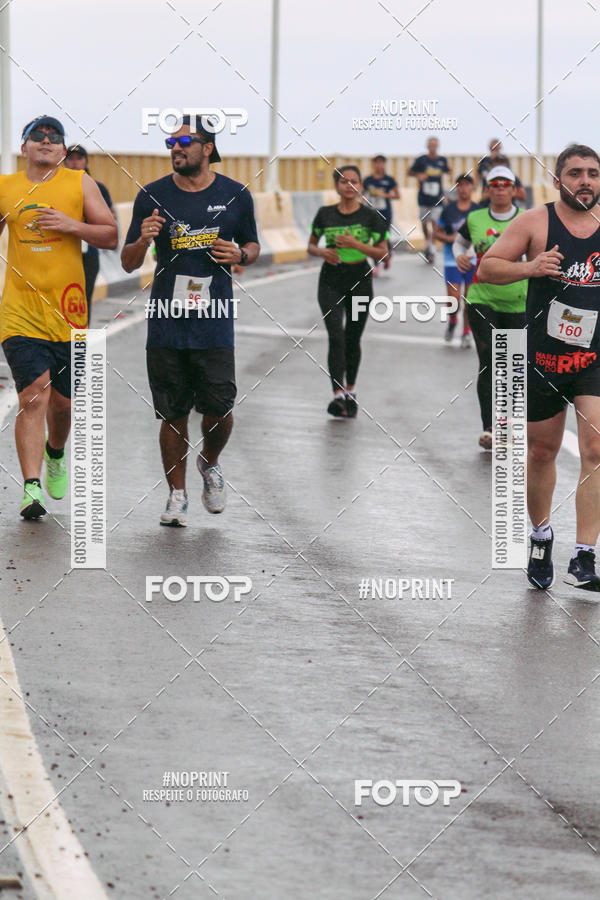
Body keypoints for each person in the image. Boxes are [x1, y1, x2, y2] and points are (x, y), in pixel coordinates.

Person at [121, 115, 259, 527]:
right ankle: (176, 495)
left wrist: (242, 256)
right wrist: (143, 240)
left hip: (214, 319)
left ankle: (209, 462)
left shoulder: (236, 195)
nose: (176, 148)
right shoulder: (152, 195)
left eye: (186, 141)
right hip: (166, 320)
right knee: (173, 411)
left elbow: (252, 244)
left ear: (208, 149)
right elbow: (128, 263)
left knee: (219, 407)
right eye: (171, 141)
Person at [478, 144, 600, 592]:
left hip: (594, 356)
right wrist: (531, 267)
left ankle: (584, 554)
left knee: (596, 449)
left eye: (593, 173)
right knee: (543, 452)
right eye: (576, 173)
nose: (585, 180)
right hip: (545, 357)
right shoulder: (534, 221)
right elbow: (487, 269)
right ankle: (541, 537)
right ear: (558, 179)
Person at [0, 115, 117, 519]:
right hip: (20, 311)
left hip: (69, 312)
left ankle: (55, 452)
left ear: (64, 150)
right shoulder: (6, 187)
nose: (46, 141)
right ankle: (31, 487)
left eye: (54, 138)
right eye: (38, 136)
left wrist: (71, 225)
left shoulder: (80, 183)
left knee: (63, 405)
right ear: (24, 147)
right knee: (33, 395)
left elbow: (111, 235)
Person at [453, 166, 527, 448]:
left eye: (505, 184)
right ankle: (490, 428)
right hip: (481, 298)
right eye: (494, 184)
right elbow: (460, 245)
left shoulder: (527, 219)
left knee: (512, 365)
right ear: (487, 189)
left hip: (518, 301)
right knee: (489, 360)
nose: (499, 188)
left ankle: (508, 423)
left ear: (513, 189)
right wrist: (460, 257)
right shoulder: (474, 218)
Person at [308, 166, 387, 418]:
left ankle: (351, 390)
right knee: (335, 336)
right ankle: (338, 395)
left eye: (354, 181)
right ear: (336, 186)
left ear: (361, 185)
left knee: (352, 338)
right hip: (331, 279)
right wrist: (322, 252)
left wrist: (356, 244)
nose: (349, 185)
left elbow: (382, 252)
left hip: (360, 280)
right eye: (344, 181)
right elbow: (311, 245)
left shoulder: (371, 216)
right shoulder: (325, 214)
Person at [64, 145, 116, 324]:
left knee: (83, 299)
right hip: (63, 251)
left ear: (85, 161)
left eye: (79, 158)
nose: (74, 162)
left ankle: (81, 344)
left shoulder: (97, 187)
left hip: (89, 252)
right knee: (61, 300)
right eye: (70, 158)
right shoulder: (57, 187)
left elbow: (111, 217)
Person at [432, 173, 479, 348]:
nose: (463, 188)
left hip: (472, 260)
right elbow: (436, 233)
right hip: (452, 260)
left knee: (469, 299)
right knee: (453, 300)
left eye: (467, 185)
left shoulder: (478, 210)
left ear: (472, 188)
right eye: (459, 185)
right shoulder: (448, 210)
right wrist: (451, 239)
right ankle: (452, 320)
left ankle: (466, 332)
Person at [408, 137, 451, 264]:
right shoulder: (421, 160)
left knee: (435, 223)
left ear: (437, 146)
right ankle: (427, 243)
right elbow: (410, 172)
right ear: (427, 146)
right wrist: (418, 175)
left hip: (437, 198)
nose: (433, 147)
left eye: (435, 145)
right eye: (430, 145)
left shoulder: (442, 160)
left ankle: (432, 249)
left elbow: (448, 172)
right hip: (423, 197)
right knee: (425, 223)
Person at [363, 155, 400, 272]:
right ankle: (376, 264)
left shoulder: (389, 180)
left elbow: (397, 195)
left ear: (384, 164)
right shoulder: (368, 180)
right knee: (375, 237)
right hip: (372, 212)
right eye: (376, 163)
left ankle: (387, 255)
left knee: (385, 236)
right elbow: (361, 194)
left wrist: (385, 195)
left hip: (386, 213)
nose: (379, 165)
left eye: (381, 163)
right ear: (373, 164)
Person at [478, 139, 527, 205]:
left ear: (506, 164)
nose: (499, 164)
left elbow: (523, 196)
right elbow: (484, 196)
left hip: (509, 210)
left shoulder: (512, 177)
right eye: (497, 162)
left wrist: (507, 193)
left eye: (502, 162)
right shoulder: (489, 176)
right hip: (489, 208)